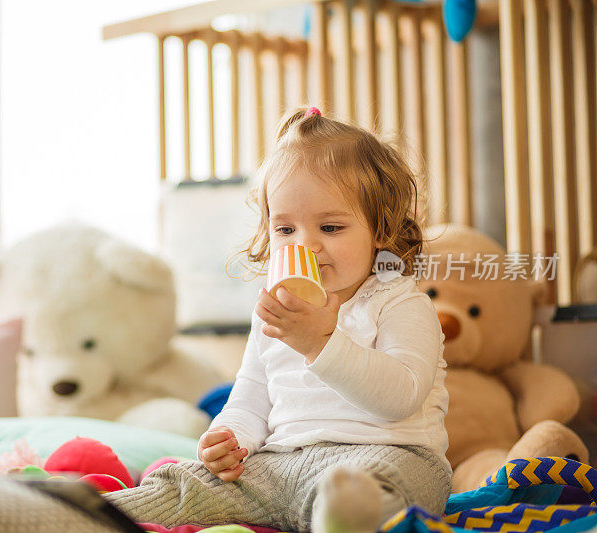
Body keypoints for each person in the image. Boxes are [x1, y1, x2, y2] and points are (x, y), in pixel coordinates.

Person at [104, 107, 451, 533]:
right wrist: (230, 438)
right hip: (280, 464)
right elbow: (251, 395)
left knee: (375, 488)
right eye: (286, 230)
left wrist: (320, 342)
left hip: (386, 454)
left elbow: (401, 396)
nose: (306, 244)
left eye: (330, 227)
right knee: (187, 483)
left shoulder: (399, 303)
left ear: (379, 230)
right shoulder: (273, 309)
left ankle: (345, 518)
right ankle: (86, 511)